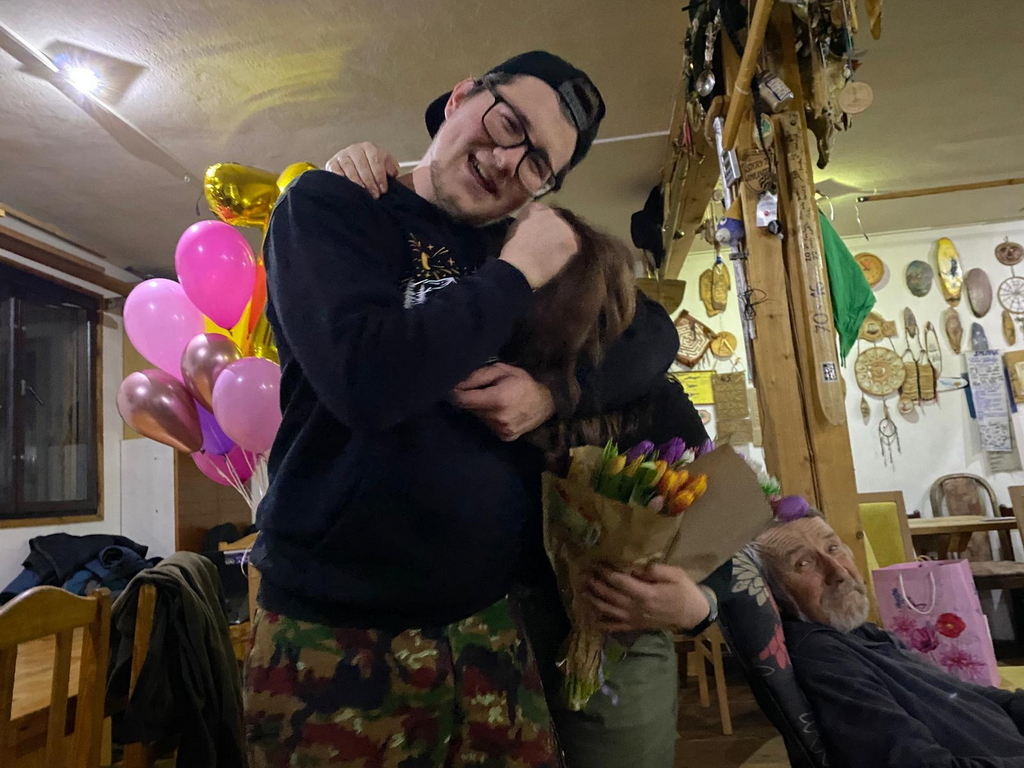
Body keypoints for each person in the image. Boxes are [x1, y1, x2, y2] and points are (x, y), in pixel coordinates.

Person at [246, 51, 684, 768]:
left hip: (490, 627)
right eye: (508, 123)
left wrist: (551, 394)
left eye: (538, 164)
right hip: (336, 630)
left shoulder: (511, 242)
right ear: (459, 98)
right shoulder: (333, 207)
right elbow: (367, 380)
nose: (508, 160)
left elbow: (653, 336)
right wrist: (516, 274)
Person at [326, 163, 727, 768]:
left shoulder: (638, 385)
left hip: (613, 636)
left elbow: (721, 520)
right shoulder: (477, 363)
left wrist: (699, 607)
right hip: (479, 631)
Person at [753, 502, 1024, 768]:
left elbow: (965, 696)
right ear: (773, 594)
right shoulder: (823, 659)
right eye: (803, 563)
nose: (839, 571)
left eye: (833, 548)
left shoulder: (856, 631)